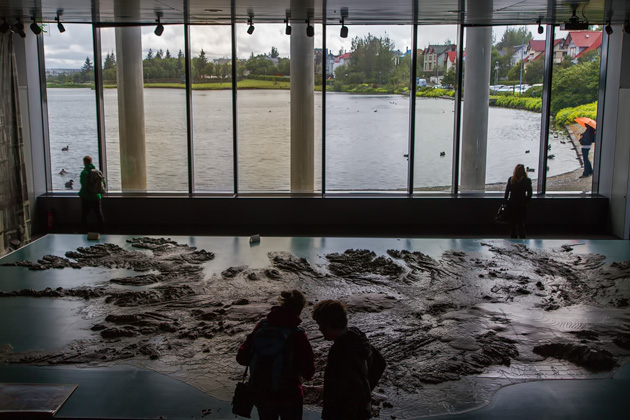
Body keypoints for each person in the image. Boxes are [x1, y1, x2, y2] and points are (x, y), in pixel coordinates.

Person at [237, 290, 315, 420]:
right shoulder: (297, 335)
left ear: (282, 304)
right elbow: (309, 373)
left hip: (262, 394)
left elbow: (241, 358)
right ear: (300, 309)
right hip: (290, 396)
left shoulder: (262, 326)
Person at [312, 300, 385, 420]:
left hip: (344, 413)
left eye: (321, 325)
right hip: (362, 408)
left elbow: (335, 390)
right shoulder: (357, 337)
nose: (319, 329)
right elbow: (380, 363)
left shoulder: (339, 351)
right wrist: (366, 390)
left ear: (330, 324)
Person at [504, 164, 532, 239]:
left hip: (512, 203)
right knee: (520, 222)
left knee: (513, 223)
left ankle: (514, 238)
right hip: (521, 204)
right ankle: (522, 238)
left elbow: (507, 192)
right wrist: (525, 202)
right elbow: (529, 193)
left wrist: (506, 202)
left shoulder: (511, 180)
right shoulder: (527, 181)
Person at [79, 155, 105, 233]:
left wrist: (81, 194)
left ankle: (84, 230)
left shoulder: (85, 172)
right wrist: (100, 193)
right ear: (91, 162)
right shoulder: (97, 172)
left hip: (87, 197)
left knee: (84, 214)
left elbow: (84, 185)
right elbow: (103, 183)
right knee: (99, 214)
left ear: (84, 162)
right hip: (97, 197)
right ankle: (102, 230)